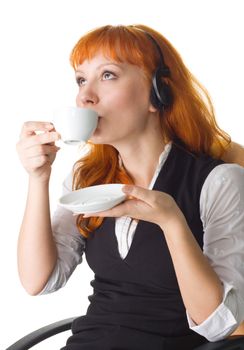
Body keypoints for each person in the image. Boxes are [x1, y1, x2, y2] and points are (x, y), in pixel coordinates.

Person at [16, 24, 244, 350]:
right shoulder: (87, 178)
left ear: (157, 94)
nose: (85, 96)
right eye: (81, 80)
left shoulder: (218, 181)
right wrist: (38, 178)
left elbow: (217, 324)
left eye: (107, 75)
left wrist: (171, 222)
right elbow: (37, 281)